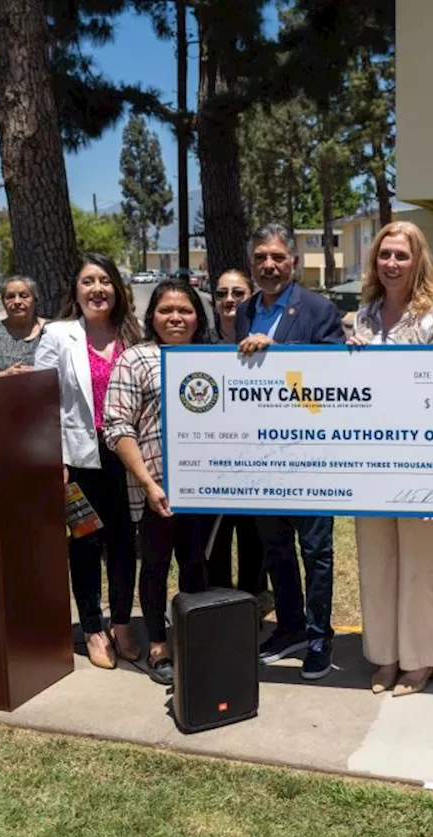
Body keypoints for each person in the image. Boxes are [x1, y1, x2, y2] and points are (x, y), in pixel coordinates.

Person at [349, 221, 433, 697]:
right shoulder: (362, 317)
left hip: (418, 461)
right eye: (385, 255)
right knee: (376, 560)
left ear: (418, 262)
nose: (392, 264)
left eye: (402, 256)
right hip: (369, 460)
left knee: (418, 565)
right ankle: (385, 657)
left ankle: (420, 660)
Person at [235, 224, 346, 680]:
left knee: (316, 551)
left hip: (310, 450)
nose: (269, 265)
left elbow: (335, 369)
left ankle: (320, 637)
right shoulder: (244, 312)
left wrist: (280, 353)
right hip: (263, 455)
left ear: (294, 263)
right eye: (261, 256)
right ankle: (290, 628)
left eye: (278, 257)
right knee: (275, 548)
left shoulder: (319, 309)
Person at [35, 254, 145, 669]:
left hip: (126, 459)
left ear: (116, 288)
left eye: (104, 281)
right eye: (88, 282)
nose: (97, 288)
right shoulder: (59, 335)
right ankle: (93, 629)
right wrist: (54, 459)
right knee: (84, 543)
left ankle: (121, 623)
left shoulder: (133, 335)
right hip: (79, 462)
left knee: (123, 544)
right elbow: (42, 400)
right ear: (76, 291)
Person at [104, 280, 214, 685]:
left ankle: (194, 637)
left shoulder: (213, 359)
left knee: (196, 563)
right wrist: (149, 484)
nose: (175, 317)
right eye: (166, 310)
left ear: (198, 317)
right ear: (152, 316)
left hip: (205, 488)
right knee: (154, 565)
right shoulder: (135, 359)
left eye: (184, 310)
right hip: (156, 488)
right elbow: (116, 426)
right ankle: (158, 645)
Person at [207, 268, 268, 606]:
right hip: (214, 463)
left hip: (258, 462)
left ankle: (252, 606)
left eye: (238, 293)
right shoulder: (201, 344)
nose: (229, 300)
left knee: (254, 542)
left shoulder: (265, 343)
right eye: (221, 293)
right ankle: (220, 611)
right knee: (215, 545)